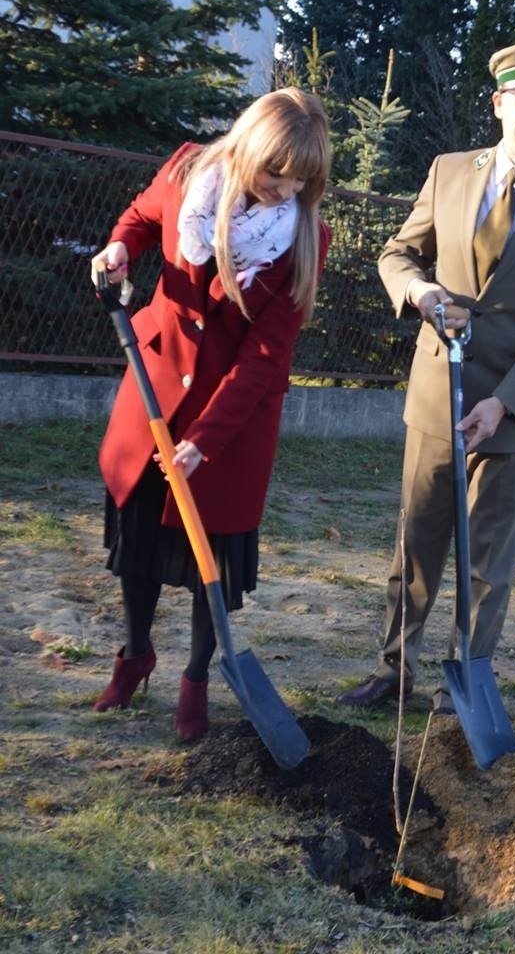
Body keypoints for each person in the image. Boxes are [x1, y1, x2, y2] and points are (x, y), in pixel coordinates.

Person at [338, 39, 515, 708]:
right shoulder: (449, 172)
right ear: (499, 105)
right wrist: (419, 293)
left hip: (512, 412)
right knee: (417, 543)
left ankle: (468, 681)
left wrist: (507, 401)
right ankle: (393, 667)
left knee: (487, 561)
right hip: (437, 395)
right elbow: (399, 252)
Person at [90, 87, 331, 740]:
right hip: (155, 390)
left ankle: (196, 674)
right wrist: (119, 248)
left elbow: (263, 357)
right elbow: (141, 218)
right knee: (137, 545)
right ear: (247, 148)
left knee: (212, 565)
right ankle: (136, 654)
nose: (286, 192)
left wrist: (207, 440)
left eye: (301, 182)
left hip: (233, 421)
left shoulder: (305, 238)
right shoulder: (185, 170)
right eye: (275, 174)